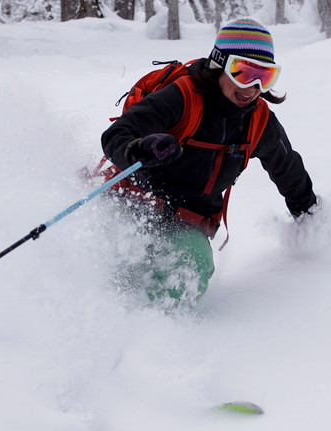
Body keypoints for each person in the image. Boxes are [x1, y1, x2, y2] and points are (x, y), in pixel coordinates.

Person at [100, 18, 317, 309]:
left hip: (185, 224)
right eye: (243, 72)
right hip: (133, 205)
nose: (252, 87)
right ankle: (101, 306)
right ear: (220, 64)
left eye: (264, 77)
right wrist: (139, 149)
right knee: (114, 261)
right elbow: (118, 134)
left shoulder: (259, 120)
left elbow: (287, 168)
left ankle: (152, 329)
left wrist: (310, 216)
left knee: (193, 263)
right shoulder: (183, 97)